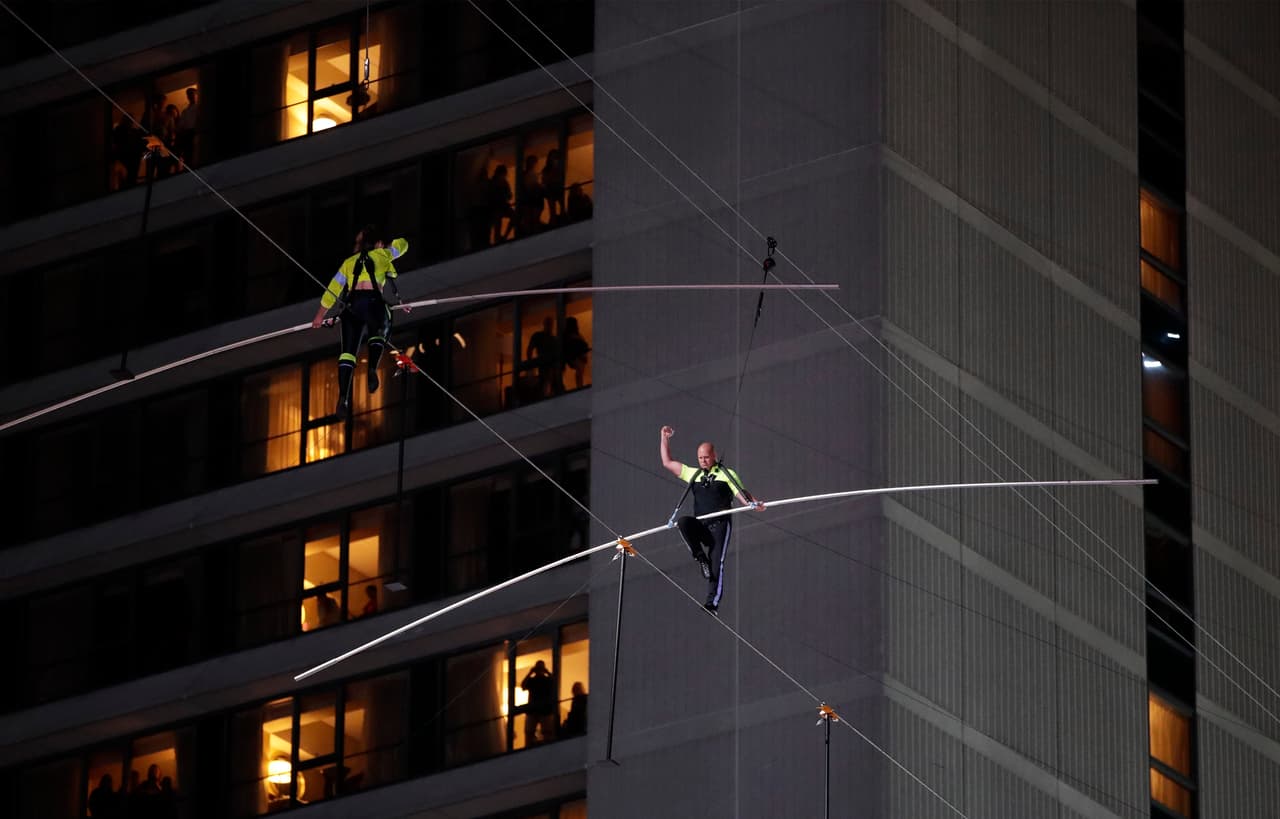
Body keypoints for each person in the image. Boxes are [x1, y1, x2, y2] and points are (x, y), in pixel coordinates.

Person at [660, 426, 763, 612]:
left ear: (713, 455)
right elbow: (667, 462)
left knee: (717, 563)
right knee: (683, 522)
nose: (703, 461)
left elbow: (742, 495)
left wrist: (755, 503)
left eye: (706, 457)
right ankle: (701, 559)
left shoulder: (727, 474)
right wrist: (664, 438)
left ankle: (712, 603)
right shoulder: (694, 474)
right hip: (702, 525)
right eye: (700, 458)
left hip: (720, 526)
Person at [311, 225, 410, 419]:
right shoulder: (382, 255)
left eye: (358, 242)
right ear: (376, 243)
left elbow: (333, 289)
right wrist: (385, 246)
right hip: (373, 303)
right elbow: (403, 245)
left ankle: (343, 396)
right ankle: (372, 367)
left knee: (347, 352)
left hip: (352, 307)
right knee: (381, 327)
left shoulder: (348, 263)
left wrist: (319, 316)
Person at [520, 659, 557, 744]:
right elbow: (523, 685)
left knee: (547, 733)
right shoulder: (533, 681)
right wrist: (530, 673)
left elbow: (555, 682)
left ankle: (547, 747)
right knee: (530, 733)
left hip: (544, 710)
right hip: (535, 710)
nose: (539, 670)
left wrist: (546, 672)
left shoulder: (547, 680)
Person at [525, 317, 561, 397]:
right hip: (545, 363)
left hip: (551, 365)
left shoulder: (554, 339)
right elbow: (529, 349)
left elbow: (530, 349)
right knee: (547, 380)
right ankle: (547, 394)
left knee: (549, 381)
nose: (550, 326)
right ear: (544, 324)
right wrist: (530, 366)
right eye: (548, 323)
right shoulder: (539, 336)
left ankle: (548, 394)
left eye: (550, 324)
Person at [486, 164, 515, 244]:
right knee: (497, 223)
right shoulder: (492, 183)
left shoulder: (504, 183)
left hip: (503, 206)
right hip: (495, 207)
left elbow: (509, 195)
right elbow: (490, 196)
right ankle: (498, 239)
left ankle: (503, 237)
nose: (503, 176)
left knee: (514, 216)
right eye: (503, 174)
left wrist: (508, 195)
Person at [561, 316, 589, 390]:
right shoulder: (569, 336)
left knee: (580, 371)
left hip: (579, 355)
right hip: (575, 356)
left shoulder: (576, 335)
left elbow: (584, 345)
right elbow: (569, 347)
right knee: (579, 370)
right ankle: (579, 387)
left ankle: (580, 386)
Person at [175, 87, 198, 168]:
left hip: (197, 134)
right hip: (187, 136)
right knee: (188, 158)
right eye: (188, 94)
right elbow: (180, 126)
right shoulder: (185, 111)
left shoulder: (200, 107)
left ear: (196, 95)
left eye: (192, 94)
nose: (190, 96)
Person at [541, 148, 565, 222]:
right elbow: (545, 181)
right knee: (552, 210)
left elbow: (559, 178)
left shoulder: (559, 167)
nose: (554, 158)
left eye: (555, 156)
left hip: (557, 188)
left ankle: (561, 220)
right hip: (550, 190)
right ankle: (554, 222)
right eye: (553, 156)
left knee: (562, 207)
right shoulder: (546, 169)